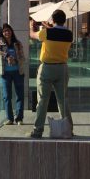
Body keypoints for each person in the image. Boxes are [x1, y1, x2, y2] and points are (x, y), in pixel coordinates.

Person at [29, 10, 73, 138]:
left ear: (52, 20)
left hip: (47, 68)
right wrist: (50, 26)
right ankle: (68, 129)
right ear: (64, 20)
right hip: (62, 69)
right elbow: (58, 33)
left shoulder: (46, 33)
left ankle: (38, 131)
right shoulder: (69, 34)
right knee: (63, 100)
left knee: (42, 100)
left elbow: (33, 35)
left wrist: (31, 26)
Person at [0, 23, 25, 125]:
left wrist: (16, 60)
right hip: (5, 74)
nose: (7, 32)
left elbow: (23, 57)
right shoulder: (0, 45)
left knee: (20, 96)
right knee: (6, 96)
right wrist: (7, 56)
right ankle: (9, 118)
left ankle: (19, 118)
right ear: (2, 33)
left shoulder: (17, 43)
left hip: (18, 72)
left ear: (11, 31)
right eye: (5, 31)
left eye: (8, 30)